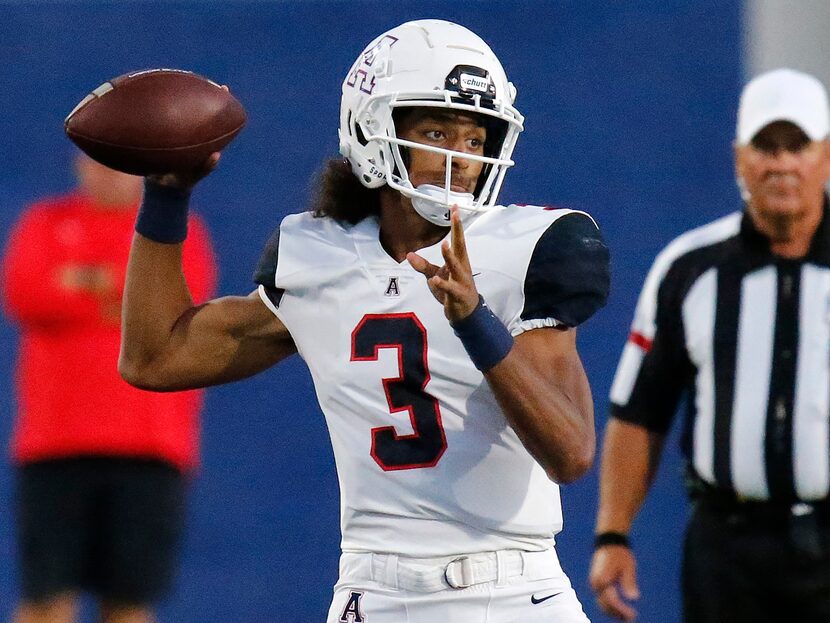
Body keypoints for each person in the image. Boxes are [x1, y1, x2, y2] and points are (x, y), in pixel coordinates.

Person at [119, 19, 609, 622]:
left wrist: (474, 320)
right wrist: (167, 197)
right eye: (436, 131)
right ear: (373, 131)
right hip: (374, 593)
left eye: (476, 139)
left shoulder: (529, 247)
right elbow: (154, 358)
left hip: (511, 586)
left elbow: (571, 453)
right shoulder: (317, 257)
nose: (461, 158)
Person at [589, 67, 830, 623]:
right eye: (765, 146)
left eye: (797, 146)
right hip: (729, 552)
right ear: (739, 156)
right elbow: (640, 409)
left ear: (823, 155)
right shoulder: (690, 268)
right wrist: (612, 533)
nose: (781, 163)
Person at [1, 153, 217, 623]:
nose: (108, 173)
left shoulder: (177, 232)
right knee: (45, 599)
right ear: (79, 164)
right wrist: (120, 291)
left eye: (120, 164)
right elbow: (27, 292)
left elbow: (176, 306)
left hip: (150, 446)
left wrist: (81, 283)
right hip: (54, 444)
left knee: (129, 604)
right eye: (99, 162)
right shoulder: (44, 223)